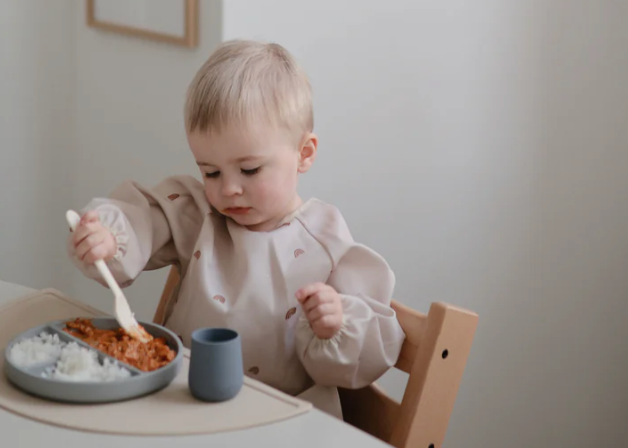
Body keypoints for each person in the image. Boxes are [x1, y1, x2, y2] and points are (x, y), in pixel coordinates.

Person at [69, 39, 405, 416]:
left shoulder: (325, 241)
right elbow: (147, 216)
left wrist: (336, 324)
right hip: (181, 404)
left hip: (280, 423)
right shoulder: (201, 215)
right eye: (210, 171)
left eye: (249, 170)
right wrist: (111, 237)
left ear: (304, 154)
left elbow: (367, 351)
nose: (227, 188)